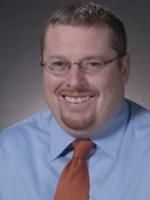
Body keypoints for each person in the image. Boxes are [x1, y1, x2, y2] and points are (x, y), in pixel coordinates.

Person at [0, 1, 150, 199]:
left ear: (123, 69)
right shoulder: (7, 150)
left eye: (93, 64)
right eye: (59, 64)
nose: (74, 81)